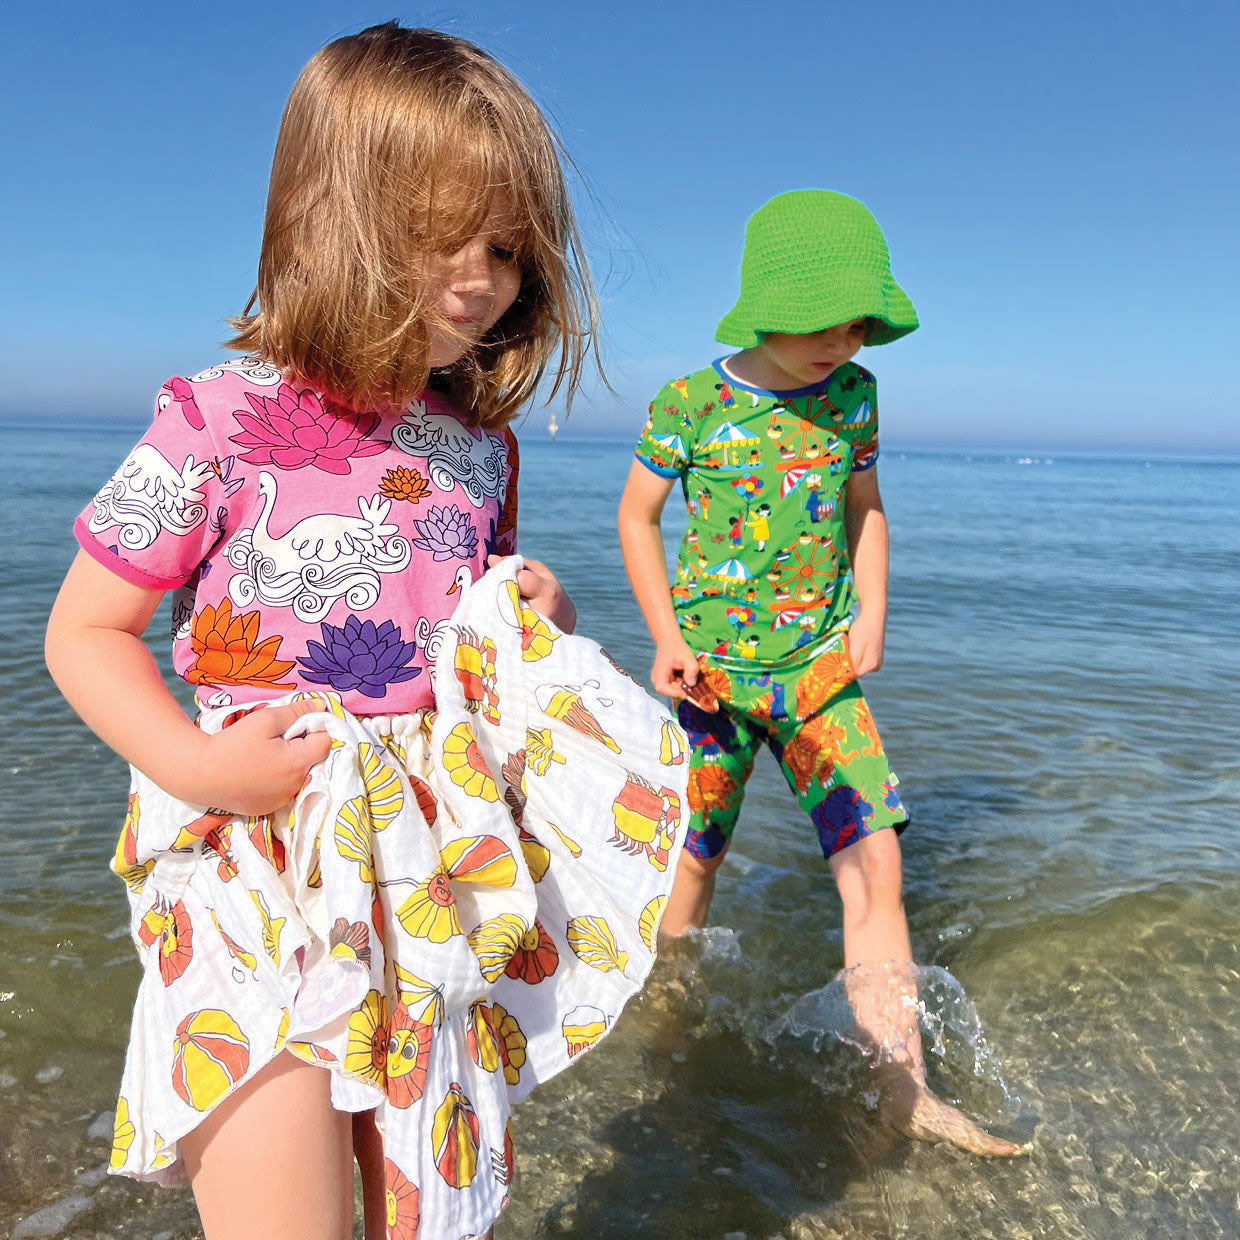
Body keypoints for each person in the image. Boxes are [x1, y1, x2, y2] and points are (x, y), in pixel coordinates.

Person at [46, 24, 688, 1240]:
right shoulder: (216, 420)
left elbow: (456, 622)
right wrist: (196, 767)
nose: (483, 275)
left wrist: (527, 618)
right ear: (333, 216)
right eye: (441, 234)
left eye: (506, 245)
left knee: (423, 1195)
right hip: (254, 847)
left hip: (424, 864)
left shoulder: (476, 447)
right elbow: (84, 630)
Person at [617, 189, 1021, 1157]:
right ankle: (667, 1032)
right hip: (711, 680)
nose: (841, 342)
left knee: (874, 858)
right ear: (766, 304)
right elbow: (637, 519)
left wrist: (872, 610)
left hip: (819, 672)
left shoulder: (853, 398)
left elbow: (865, 507)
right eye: (821, 324)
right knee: (691, 860)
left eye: (857, 324)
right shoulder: (689, 405)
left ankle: (901, 1087)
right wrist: (665, 636)